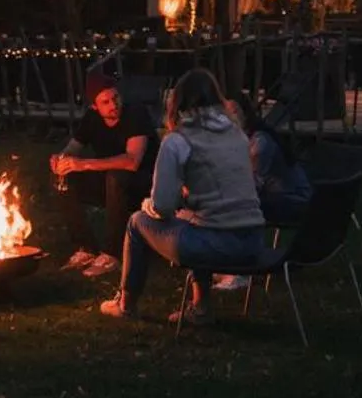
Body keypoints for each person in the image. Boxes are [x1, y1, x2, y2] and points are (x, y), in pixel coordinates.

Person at [100, 69, 266, 325]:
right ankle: (200, 308)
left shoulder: (177, 141)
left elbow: (163, 207)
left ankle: (126, 305)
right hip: (253, 243)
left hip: (217, 247)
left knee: (136, 222)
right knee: (195, 219)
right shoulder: (238, 135)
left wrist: (148, 206)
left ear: (176, 103)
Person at [49, 71, 156, 279]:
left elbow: (132, 161)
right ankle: (85, 247)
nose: (113, 105)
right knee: (62, 178)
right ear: (95, 107)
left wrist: (84, 164)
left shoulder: (135, 114)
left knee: (116, 176)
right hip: (109, 183)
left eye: (115, 98)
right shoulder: (92, 119)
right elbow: (72, 148)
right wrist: (60, 159)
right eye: (105, 102)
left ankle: (112, 254)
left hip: (144, 183)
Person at [209, 86, 313, 292]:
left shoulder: (259, 142)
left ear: (245, 114)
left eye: (234, 112)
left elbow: (250, 187)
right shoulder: (237, 140)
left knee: (236, 208)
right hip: (274, 195)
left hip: (292, 201)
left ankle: (238, 271)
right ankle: (221, 260)